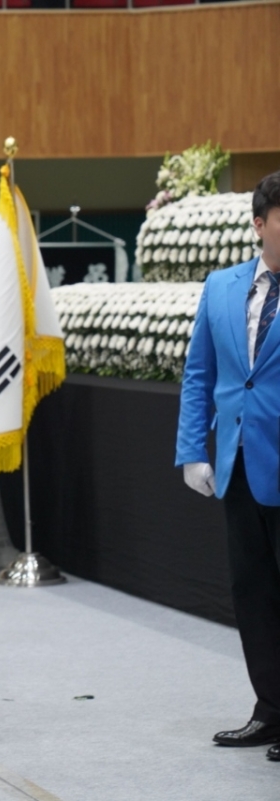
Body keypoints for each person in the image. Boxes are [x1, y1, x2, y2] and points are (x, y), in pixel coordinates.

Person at [177, 169, 280, 763]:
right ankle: (271, 709)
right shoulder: (221, 287)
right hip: (239, 464)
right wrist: (193, 450)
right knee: (253, 592)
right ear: (259, 224)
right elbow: (200, 374)